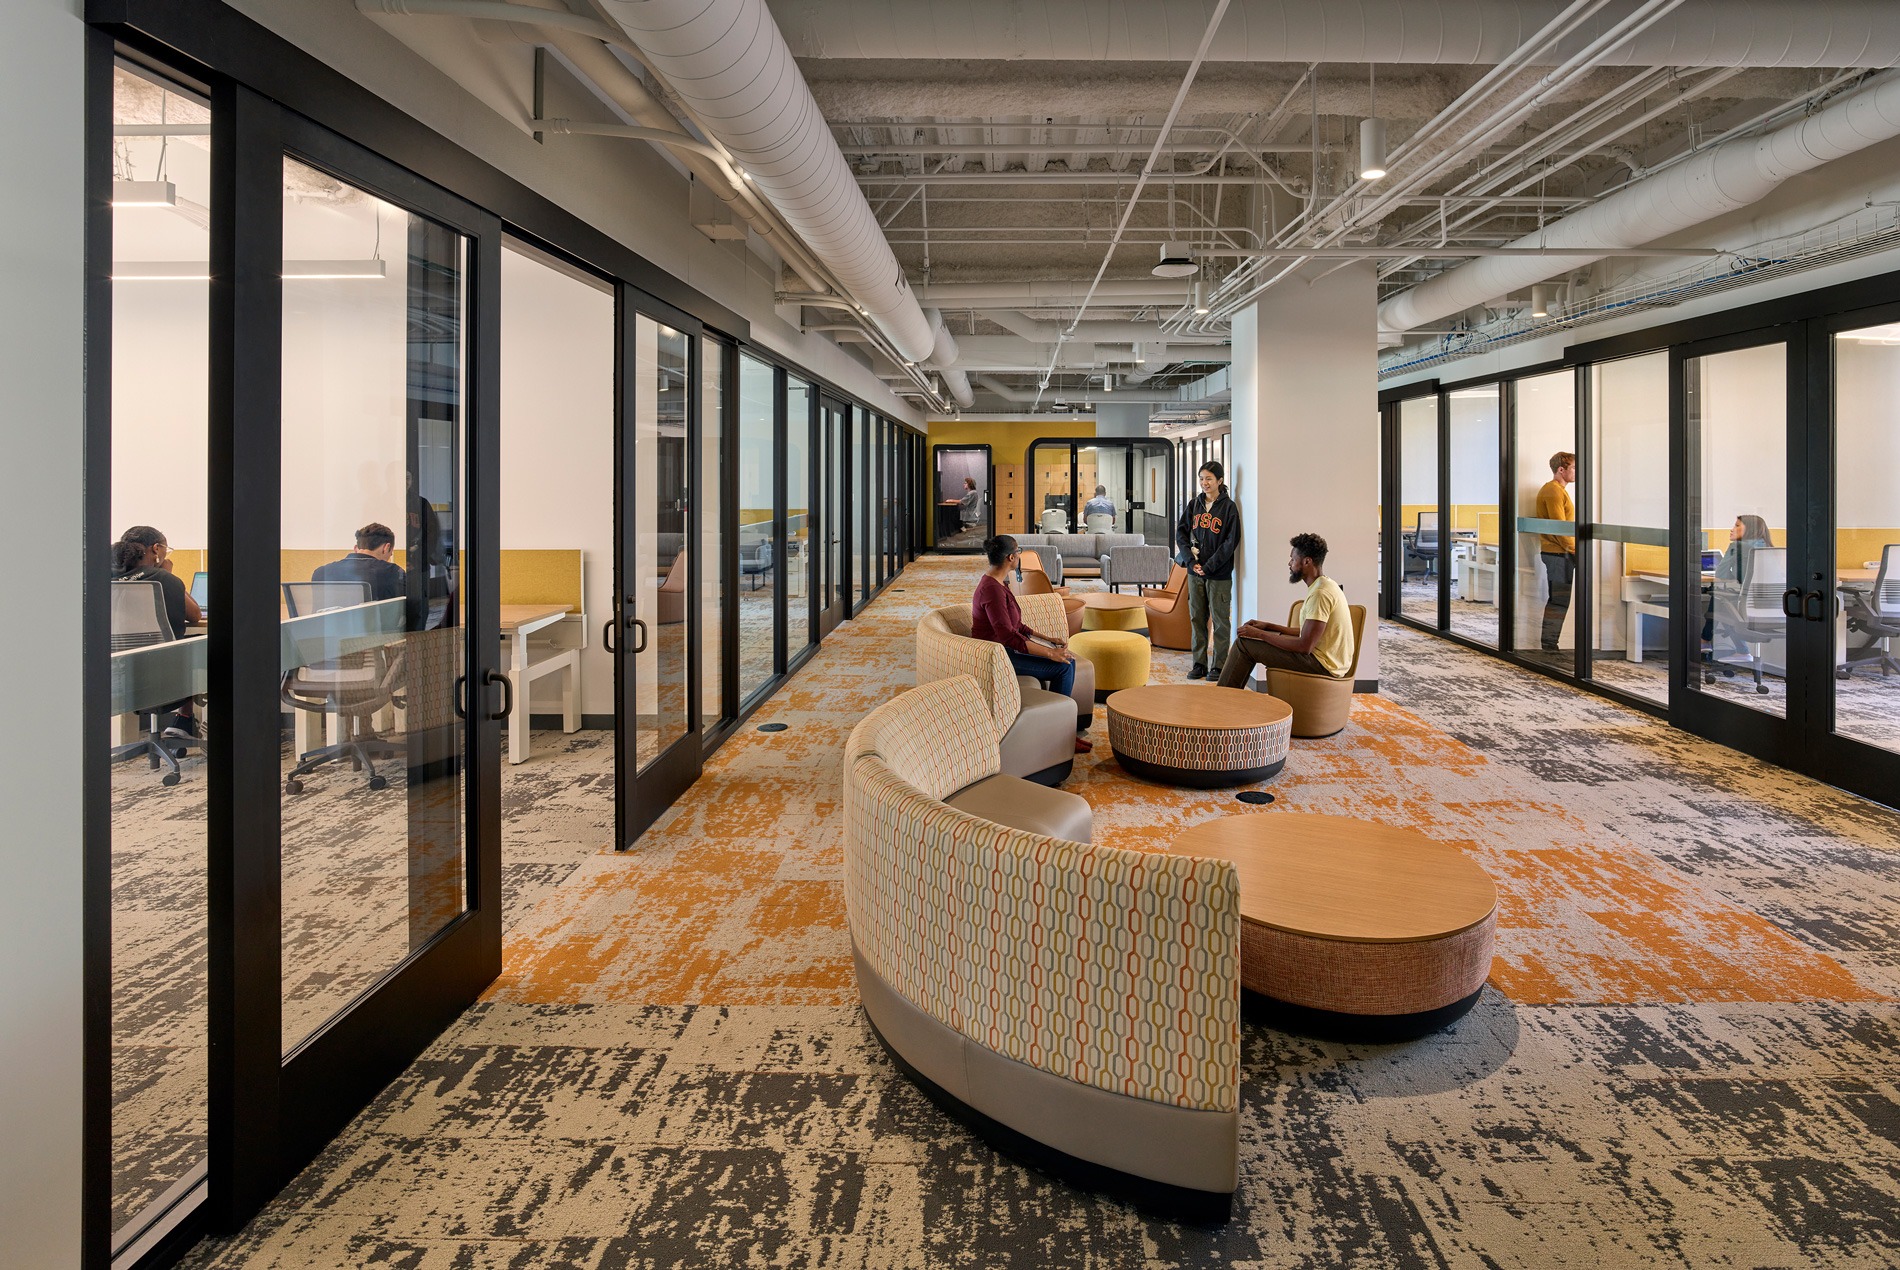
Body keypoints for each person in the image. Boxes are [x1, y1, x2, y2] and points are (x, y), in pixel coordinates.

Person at [971, 535, 1090, 753]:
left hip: (1005, 649)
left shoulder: (1000, 583)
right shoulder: (992, 590)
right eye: (1018, 551)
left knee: (1067, 661)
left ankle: (1064, 728)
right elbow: (1007, 635)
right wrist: (1048, 653)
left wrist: (1048, 639)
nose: (1019, 555)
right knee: (1062, 667)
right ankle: (1057, 734)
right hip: (997, 656)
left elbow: (1017, 625)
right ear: (1010, 557)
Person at [1219, 533, 1356, 687]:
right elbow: (1307, 633)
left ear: (1307, 561)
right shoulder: (1325, 585)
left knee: (1243, 645)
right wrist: (1269, 627)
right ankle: (1227, 698)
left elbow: (1304, 646)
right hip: (1325, 660)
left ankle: (1222, 701)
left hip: (1322, 666)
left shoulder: (1320, 594)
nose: (1289, 564)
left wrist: (1260, 634)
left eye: (1293, 559)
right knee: (1251, 640)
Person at [110, 524, 201, 735]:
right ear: (156, 549)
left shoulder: (105, 577)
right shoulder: (162, 579)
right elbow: (195, 615)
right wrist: (168, 574)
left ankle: (183, 722)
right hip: (161, 682)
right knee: (204, 650)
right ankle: (184, 719)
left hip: (117, 678)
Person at [1176, 460, 1240, 679]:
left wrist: (1210, 565)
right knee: (1197, 618)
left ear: (1220, 481)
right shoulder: (1195, 504)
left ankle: (1218, 666)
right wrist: (1191, 562)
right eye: (1201, 478)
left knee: (1221, 621)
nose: (1204, 483)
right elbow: (1181, 533)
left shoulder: (1229, 508)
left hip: (1219, 574)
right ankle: (1199, 663)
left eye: (1209, 479)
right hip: (1194, 573)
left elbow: (1231, 542)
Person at [1535, 450, 1577, 653]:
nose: (1577, 472)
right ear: (1561, 469)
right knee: (1559, 600)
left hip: (1560, 552)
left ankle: (1550, 644)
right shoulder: (1553, 490)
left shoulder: (1559, 490)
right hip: (1558, 553)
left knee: (1559, 600)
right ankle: (1550, 646)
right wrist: (1575, 550)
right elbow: (1560, 527)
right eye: (1574, 468)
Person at [312, 522, 407, 601]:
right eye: (391, 552)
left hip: (331, 623)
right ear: (386, 548)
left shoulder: (321, 572)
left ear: (356, 548)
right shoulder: (393, 572)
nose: (390, 556)